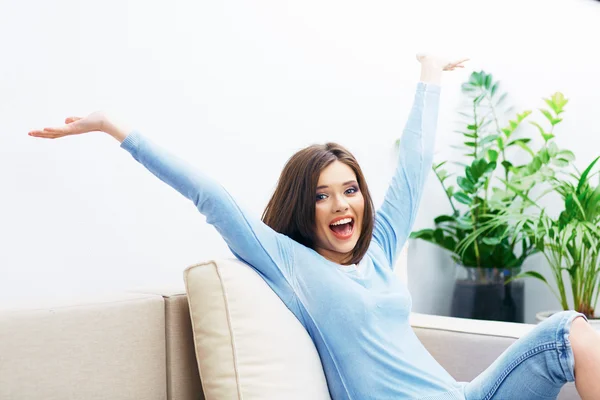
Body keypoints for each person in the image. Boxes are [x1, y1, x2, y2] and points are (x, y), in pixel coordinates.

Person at [28, 54, 600, 400]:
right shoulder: (290, 265)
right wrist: (114, 128)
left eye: (349, 189)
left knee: (573, 332)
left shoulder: (377, 252)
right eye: (322, 196)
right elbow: (210, 194)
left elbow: (413, 166)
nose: (340, 205)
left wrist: (429, 74)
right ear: (303, 208)